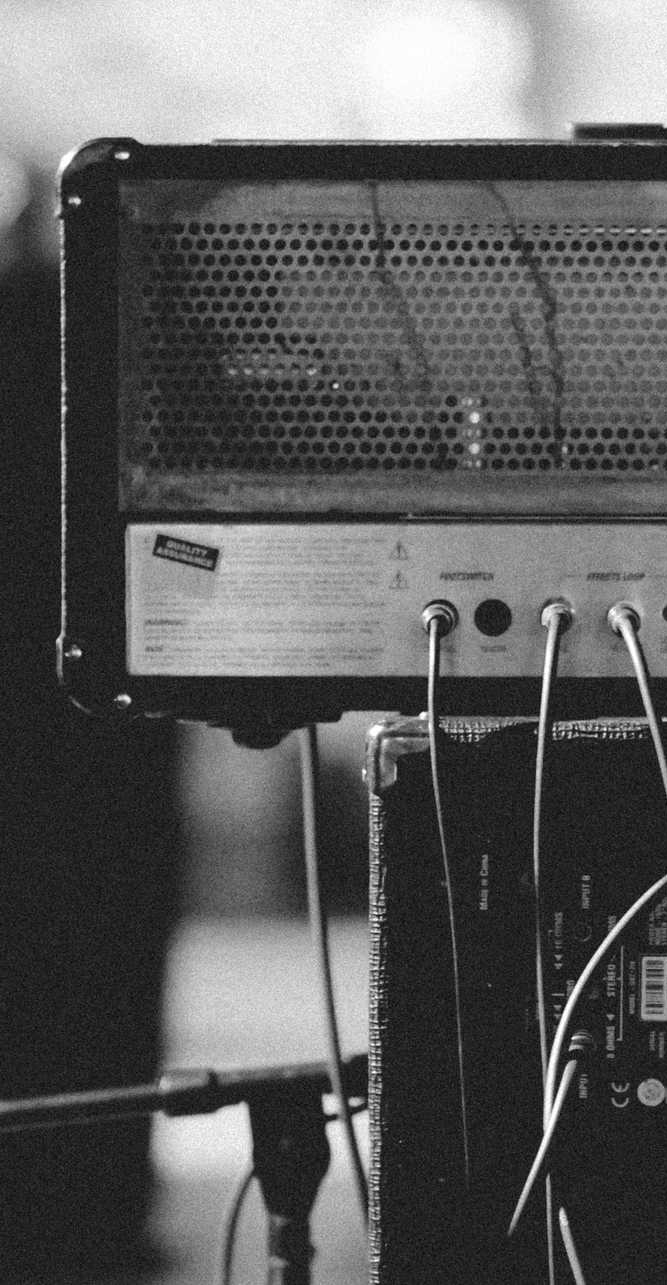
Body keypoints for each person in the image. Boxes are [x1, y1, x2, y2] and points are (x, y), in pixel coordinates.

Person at [0, 165, 181, 1282]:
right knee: (95, 962)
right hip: (93, 713)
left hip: (72, 712)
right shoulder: (92, 312)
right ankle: (97, 1202)